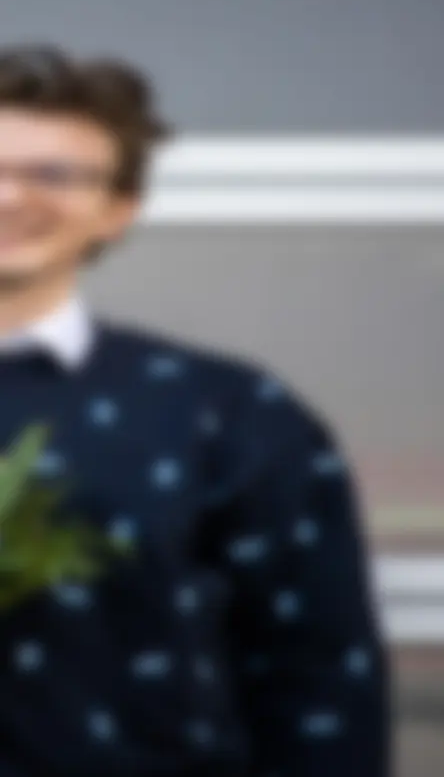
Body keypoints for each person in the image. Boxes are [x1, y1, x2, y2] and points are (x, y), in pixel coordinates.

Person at [0, 44, 389, 774]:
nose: (11, 197)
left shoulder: (227, 415)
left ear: (117, 208)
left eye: (52, 173)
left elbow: (318, 680)